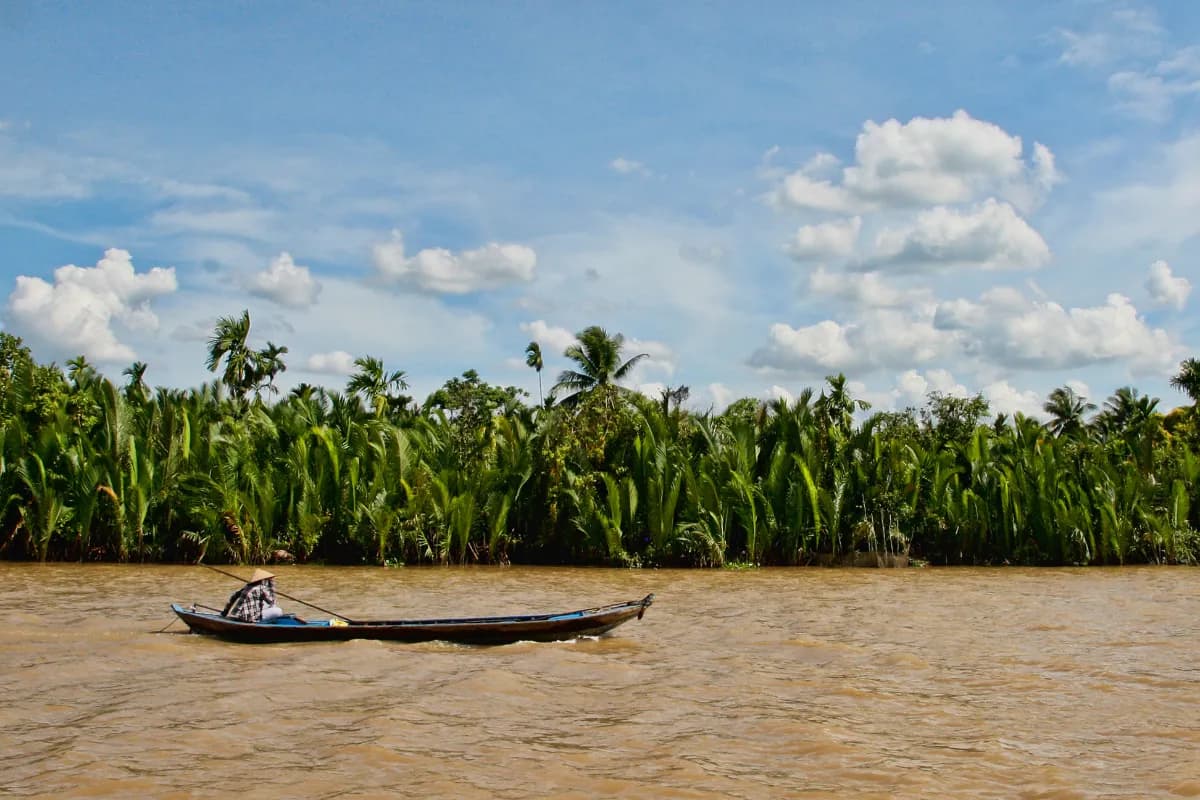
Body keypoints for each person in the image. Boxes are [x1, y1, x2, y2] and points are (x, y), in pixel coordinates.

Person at [221, 568, 286, 622]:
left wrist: (225, 612)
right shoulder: (261, 588)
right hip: (250, 619)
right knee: (278, 610)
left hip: (239, 616)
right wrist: (271, 584)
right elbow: (271, 601)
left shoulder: (247, 587)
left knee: (265, 605)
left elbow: (233, 597)